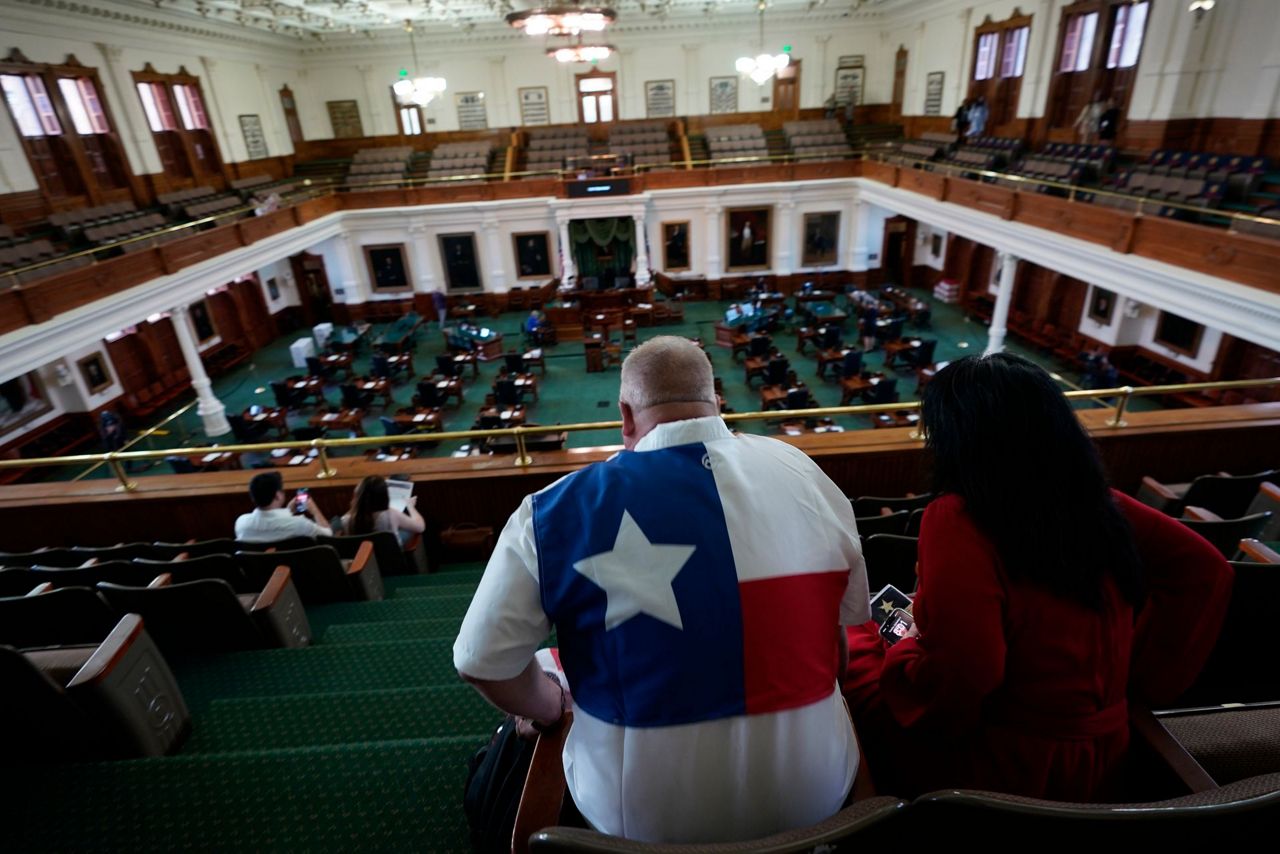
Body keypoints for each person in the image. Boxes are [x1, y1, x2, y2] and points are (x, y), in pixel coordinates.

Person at [454, 336, 870, 844]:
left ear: (626, 416)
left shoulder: (553, 511)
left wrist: (548, 707)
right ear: (716, 400)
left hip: (640, 824)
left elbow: (478, 659)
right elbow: (841, 648)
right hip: (819, 800)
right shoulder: (807, 475)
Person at [843, 353, 1233, 801]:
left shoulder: (956, 515)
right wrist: (1135, 677)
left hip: (1004, 768)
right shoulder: (1099, 500)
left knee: (854, 647)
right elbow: (1206, 570)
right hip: (1107, 751)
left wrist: (911, 643)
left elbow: (968, 672)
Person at [234, 470, 332, 542]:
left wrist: (288, 511)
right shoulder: (300, 524)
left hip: (261, 568)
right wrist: (315, 511)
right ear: (278, 495)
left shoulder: (241, 523)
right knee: (337, 521)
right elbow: (328, 536)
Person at [333, 475, 425, 545]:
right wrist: (410, 506)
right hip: (390, 555)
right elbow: (420, 527)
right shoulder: (391, 514)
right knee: (408, 529)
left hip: (367, 563)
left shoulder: (345, 520)